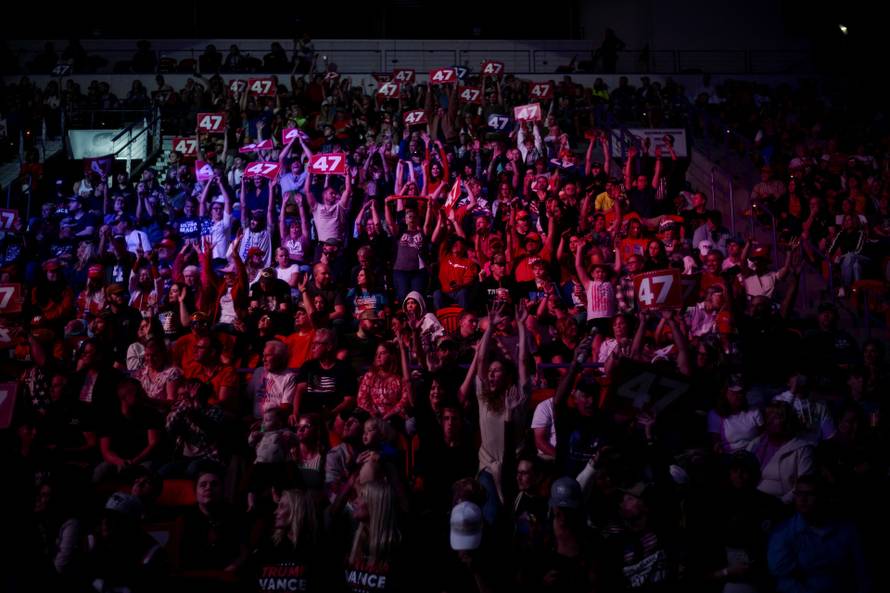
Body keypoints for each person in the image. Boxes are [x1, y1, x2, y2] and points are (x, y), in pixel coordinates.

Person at [768, 475, 870, 593]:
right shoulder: (783, 532)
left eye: (810, 494)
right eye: (799, 494)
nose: (803, 499)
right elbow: (782, 578)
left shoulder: (847, 529)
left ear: (822, 497)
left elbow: (862, 571)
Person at [746, 401, 814, 503]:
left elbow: (803, 487)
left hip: (779, 504)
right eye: (768, 416)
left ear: (787, 422)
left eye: (775, 417)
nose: (769, 421)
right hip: (751, 499)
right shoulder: (756, 444)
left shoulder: (802, 449)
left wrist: (781, 503)